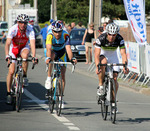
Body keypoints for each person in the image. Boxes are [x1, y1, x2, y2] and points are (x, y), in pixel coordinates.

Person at [94, 23, 129, 111]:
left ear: (116, 34)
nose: (112, 37)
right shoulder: (101, 38)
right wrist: (97, 66)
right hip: (103, 55)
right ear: (107, 33)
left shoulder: (120, 39)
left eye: (114, 35)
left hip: (113, 58)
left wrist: (125, 66)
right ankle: (101, 85)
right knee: (103, 62)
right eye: (110, 34)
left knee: (115, 79)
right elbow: (96, 54)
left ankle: (113, 102)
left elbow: (123, 53)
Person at [5, 14, 38, 104]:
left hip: (24, 47)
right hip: (14, 48)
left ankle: (24, 76)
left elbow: (32, 43)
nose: (23, 24)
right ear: (18, 22)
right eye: (21, 22)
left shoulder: (30, 29)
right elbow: (7, 43)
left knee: (25, 56)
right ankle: (8, 93)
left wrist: (34, 56)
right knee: (11, 71)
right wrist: (7, 55)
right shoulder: (13, 29)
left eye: (25, 23)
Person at [45, 20, 77, 108]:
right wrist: (48, 58)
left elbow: (68, 49)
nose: (57, 34)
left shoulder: (65, 35)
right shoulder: (49, 35)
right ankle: (48, 78)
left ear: (61, 31)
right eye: (55, 32)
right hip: (52, 52)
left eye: (59, 32)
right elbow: (48, 48)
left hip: (62, 53)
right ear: (52, 31)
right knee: (51, 57)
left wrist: (72, 59)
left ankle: (60, 97)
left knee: (62, 75)